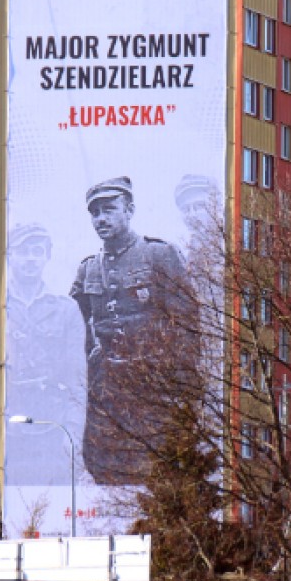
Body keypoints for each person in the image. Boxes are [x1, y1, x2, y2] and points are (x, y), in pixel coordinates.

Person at [70, 177, 188, 484]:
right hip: (107, 387)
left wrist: (183, 386)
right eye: (94, 213)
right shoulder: (87, 269)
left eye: (109, 210)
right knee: (105, 467)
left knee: (155, 467)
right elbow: (75, 332)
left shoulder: (160, 255)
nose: (101, 219)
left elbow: (188, 324)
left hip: (154, 383)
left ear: (130, 210)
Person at [4, 223, 86, 486]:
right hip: (11, 431)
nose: (30, 258)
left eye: (37, 251)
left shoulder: (66, 310)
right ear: (10, 255)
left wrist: (73, 433)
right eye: (23, 251)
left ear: (46, 257)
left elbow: (77, 380)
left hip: (53, 426)